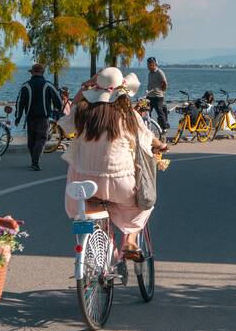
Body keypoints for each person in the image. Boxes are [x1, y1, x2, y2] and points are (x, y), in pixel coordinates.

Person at [61, 67, 163, 258]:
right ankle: (131, 241)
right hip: (119, 184)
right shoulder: (128, 115)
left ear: (94, 90)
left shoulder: (82, 113)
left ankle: (105, 251)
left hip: (83, 184)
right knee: (144, 204)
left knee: (92, 212)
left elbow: (67, 119)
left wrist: (85, 86)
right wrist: (161, 145)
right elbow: (147, 139)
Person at [14, 63, 62, 171]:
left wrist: (18, 117)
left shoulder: (25, 86)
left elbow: (20, 103)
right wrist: (59, 109)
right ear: (42, 72)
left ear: (32, 72)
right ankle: (35, 162)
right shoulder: (48, 85)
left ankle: (33, 160)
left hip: (30, 117)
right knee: (41, 139)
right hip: (43, 118)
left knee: (32, 140)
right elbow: (58, 101)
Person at [145, 57, 169, 131]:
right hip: (149, 96)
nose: (148, 67)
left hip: (158, 97)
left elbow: (164, 83)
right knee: (147, 112)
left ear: (153, 64)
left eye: (149, 65)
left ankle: (164, 128)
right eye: (147, 65)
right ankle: (148, 128)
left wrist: (162, 91)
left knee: (160, 112)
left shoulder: (159, 72)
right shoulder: (150, 73)